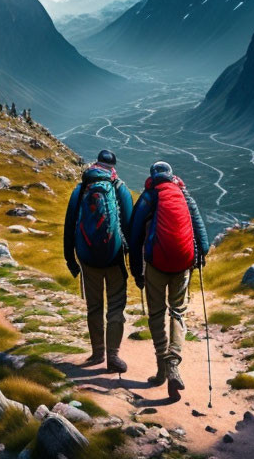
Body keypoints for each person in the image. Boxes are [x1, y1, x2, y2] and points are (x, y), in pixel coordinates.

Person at [128, 161, 210, 399]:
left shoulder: (149, 197)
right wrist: (199, 258)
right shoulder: (185, 196)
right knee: (177, 312)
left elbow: (134, 237)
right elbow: (201, 235)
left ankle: (162, 369)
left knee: (156, 314)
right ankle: (173, 362)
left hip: (155, 264)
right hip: (183, 264)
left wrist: (137, 272)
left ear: (153, 176)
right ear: (172, 176)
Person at [64, 149, 134, 373]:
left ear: (96, 163)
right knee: (115, 306)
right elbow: (130, 228)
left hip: (87, 259)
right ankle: (113, 357)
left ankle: (97, 353)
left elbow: (69, 225)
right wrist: (134, 264)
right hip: (114, 259)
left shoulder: (81, 188)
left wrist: (70, 259)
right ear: (113, 167)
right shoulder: (119, 188)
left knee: (94, 307)